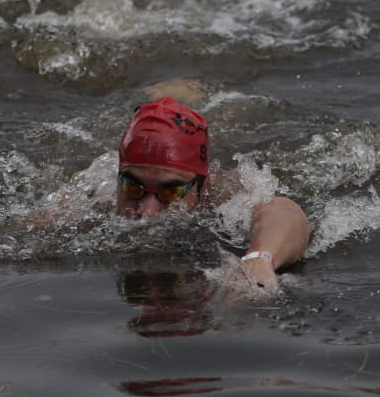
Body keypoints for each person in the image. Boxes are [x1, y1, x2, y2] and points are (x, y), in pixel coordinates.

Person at [115, 95, 311, 292]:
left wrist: (259, 258)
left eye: (171, 192)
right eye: (133, 187)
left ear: (203, 184)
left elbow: (284, 211)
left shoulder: (224, 195)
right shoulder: (101, 194)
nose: (148, 211)